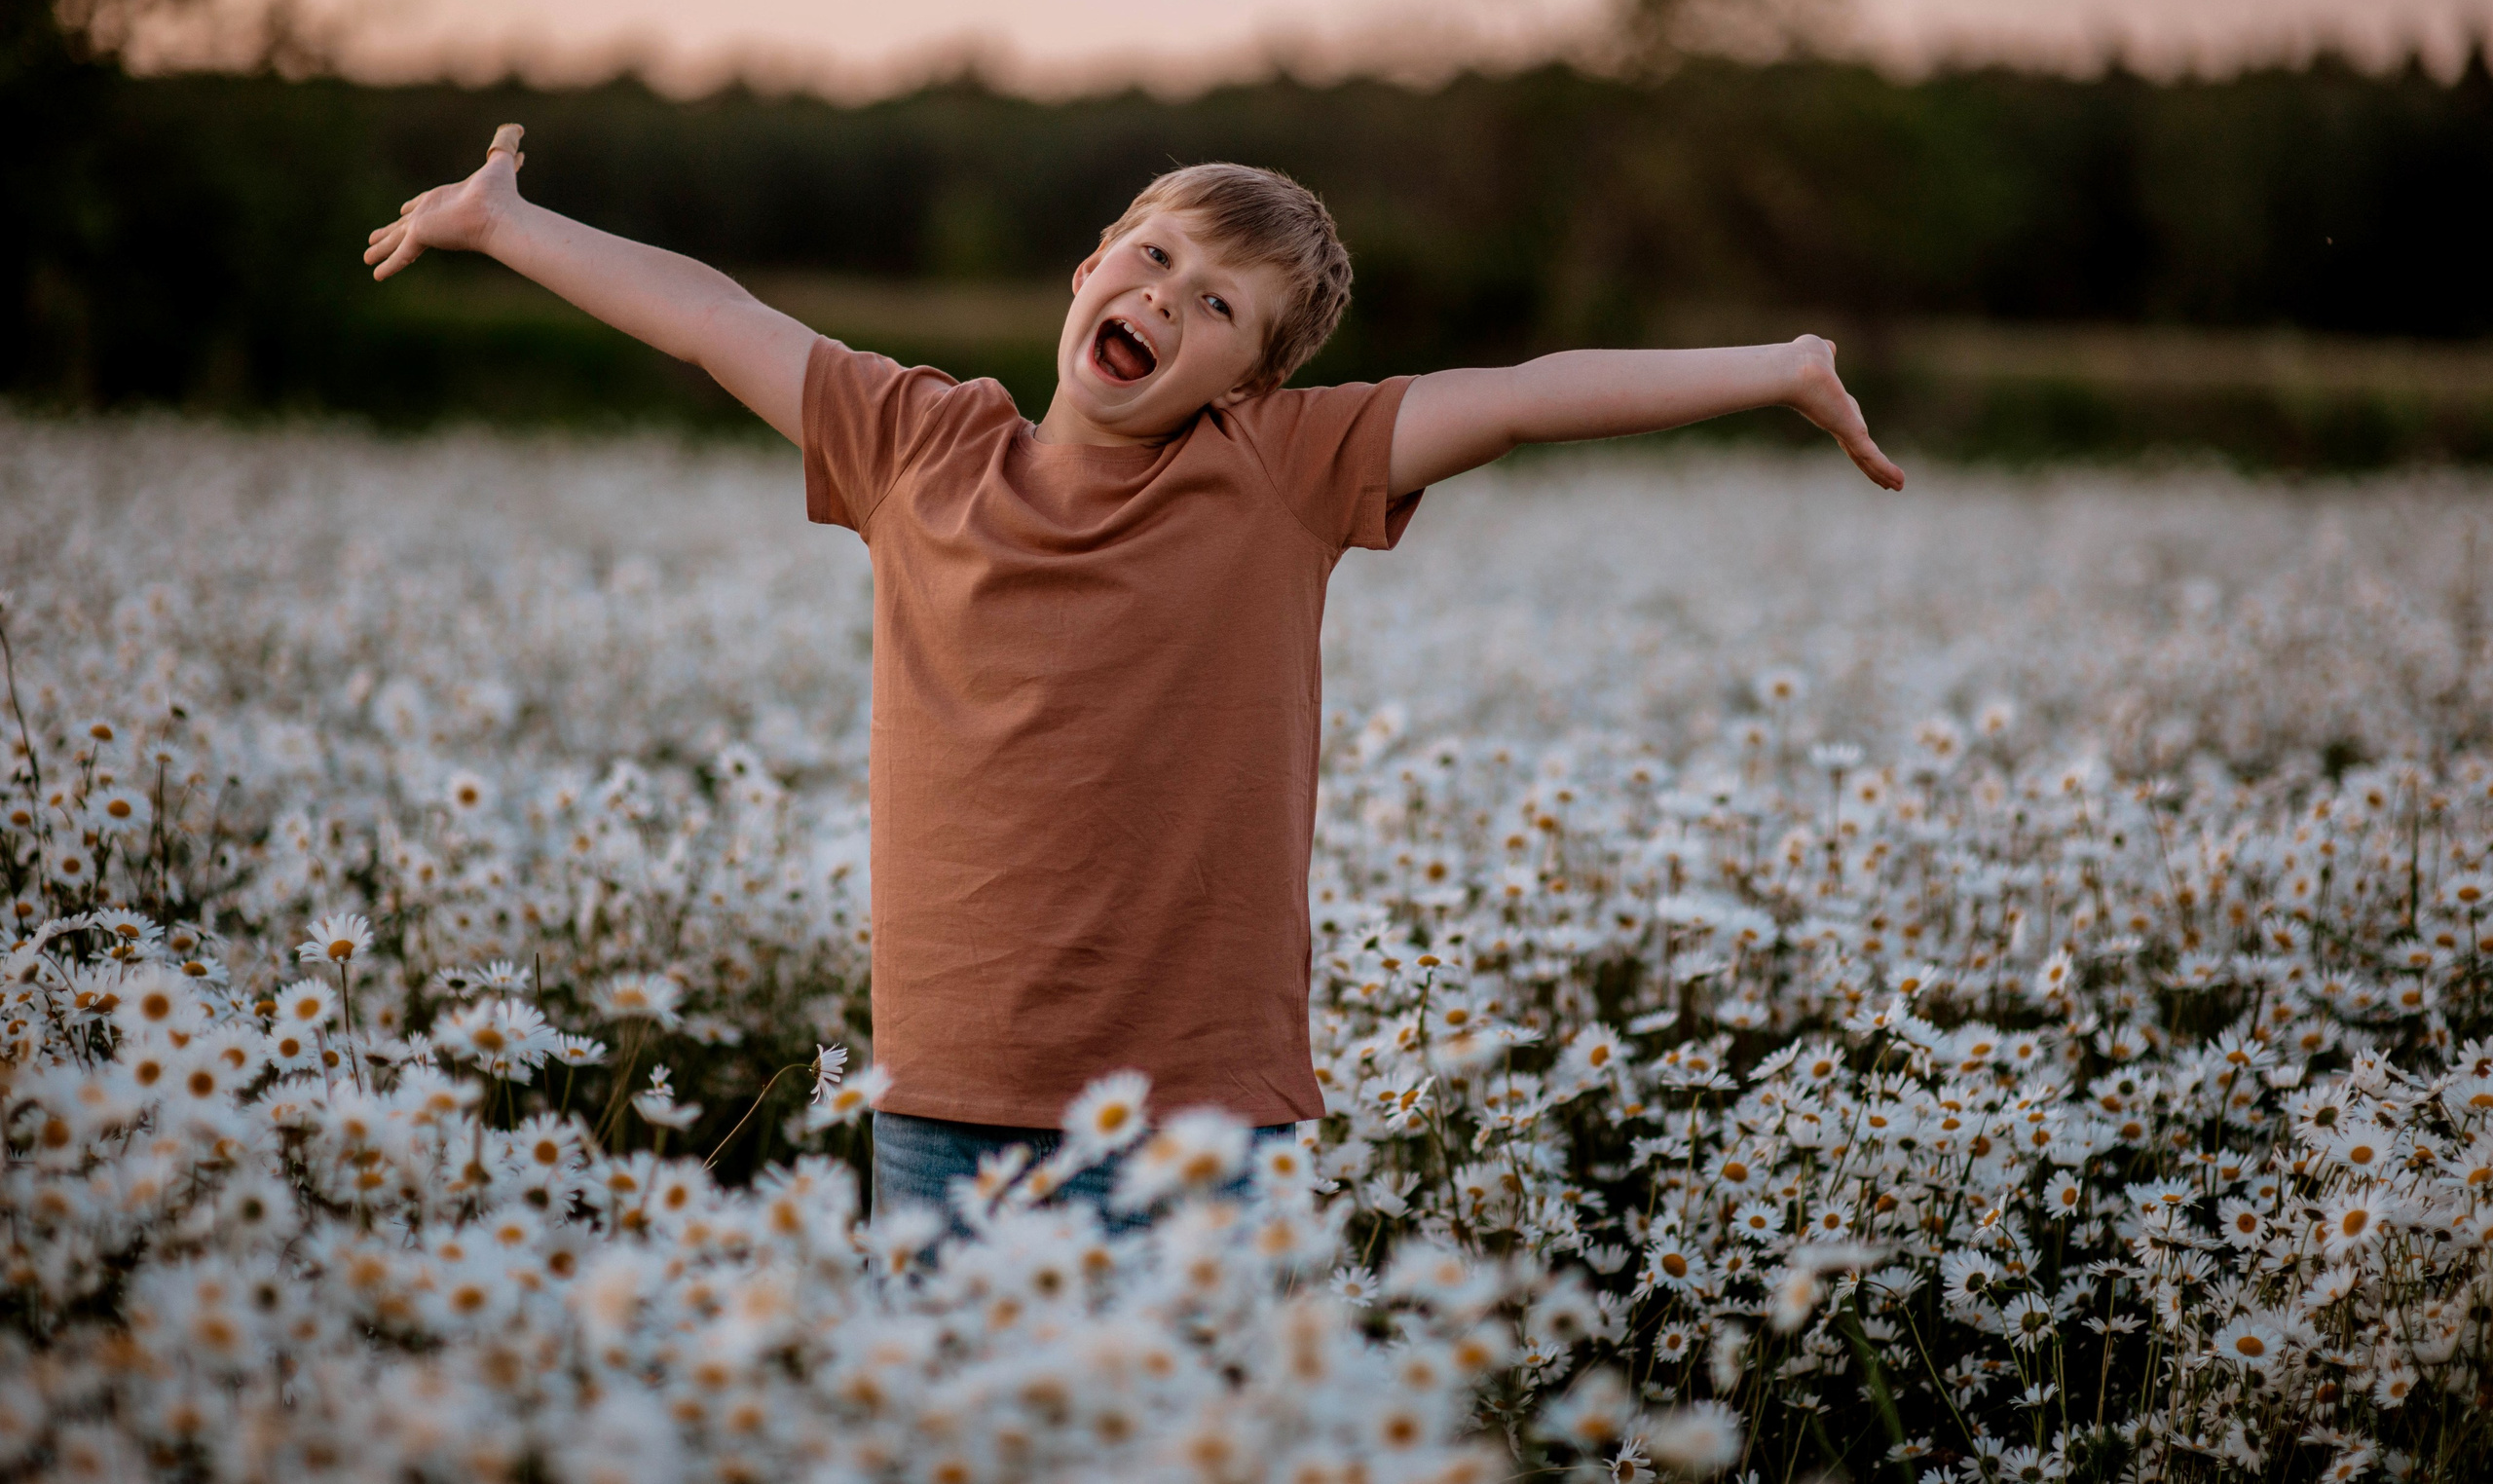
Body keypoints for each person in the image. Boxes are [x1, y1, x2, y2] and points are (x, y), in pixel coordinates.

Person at [363, 125, 1902, 1225]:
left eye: (1219, 304)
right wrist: (504, 224)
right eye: (1156, 258)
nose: (1169, 296)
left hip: (1200, 1125)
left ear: (1255, 378)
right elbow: (715, 320)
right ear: (1092, 264)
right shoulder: (914, 443)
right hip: (944, 1104)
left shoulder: (1279, 469)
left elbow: (1520, 397)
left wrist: (1774, 367)